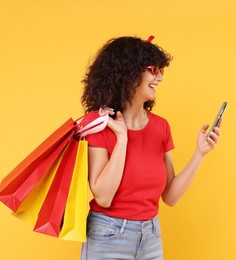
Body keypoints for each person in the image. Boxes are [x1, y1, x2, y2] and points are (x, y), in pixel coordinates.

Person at [79, 35, 222, 260]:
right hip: (109, 236)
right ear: (128, 73)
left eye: (161, 71)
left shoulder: (160, 127)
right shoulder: (99, 125)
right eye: (154, 70)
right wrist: (122, 138)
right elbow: (104, 197)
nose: (160, 78)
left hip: (151, 237)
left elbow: (170, 196)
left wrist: (199, 154)